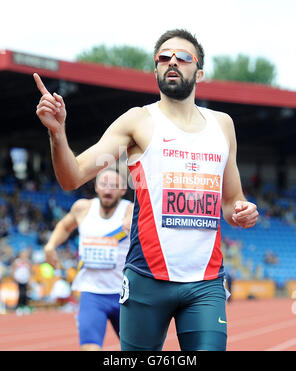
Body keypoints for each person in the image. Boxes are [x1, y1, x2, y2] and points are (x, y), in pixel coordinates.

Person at [34, 28, 258, 351]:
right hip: (146, 280)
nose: (172, 62)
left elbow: (232, 202)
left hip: (205, 283)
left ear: (200, 71)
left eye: (182, 57)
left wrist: (243, 211)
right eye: (163, 57)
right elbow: (73, 176)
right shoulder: (138, 121)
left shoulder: (223, 126)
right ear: (155, 69)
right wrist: (58, 134)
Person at [44, 169, 133, 351]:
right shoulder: (82, 208)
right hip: (92, 294)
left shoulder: (130, 210)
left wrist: (135, 221)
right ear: (96, 187)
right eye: (104, 184)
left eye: (114, 186)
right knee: (89, 348)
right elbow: (64, 226)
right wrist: (50, 245)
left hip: (125, 295)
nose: (108, 190)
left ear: (123, 189)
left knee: (136, 349)